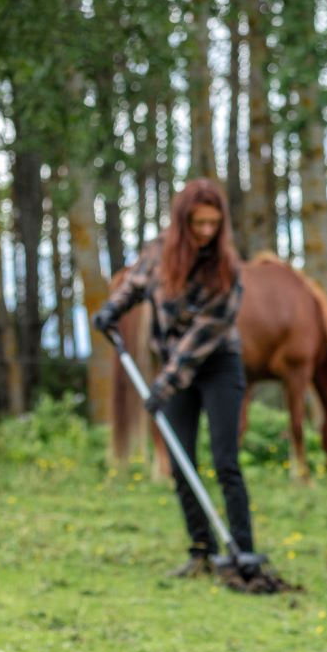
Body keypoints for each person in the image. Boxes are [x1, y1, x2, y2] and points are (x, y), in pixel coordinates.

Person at [91, 178, 257, 580]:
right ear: (184, 222)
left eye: (213, 224)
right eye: (198, 223)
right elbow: (135, 284)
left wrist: (163, 385)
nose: (205, 232)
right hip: (172, 368)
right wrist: (111, 310)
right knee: (180, 462)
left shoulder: (227, 270)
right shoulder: (158, 254)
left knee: (225, 460)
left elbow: (203, 336)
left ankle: (244, 551)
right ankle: (203, 550)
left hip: (217, 366)